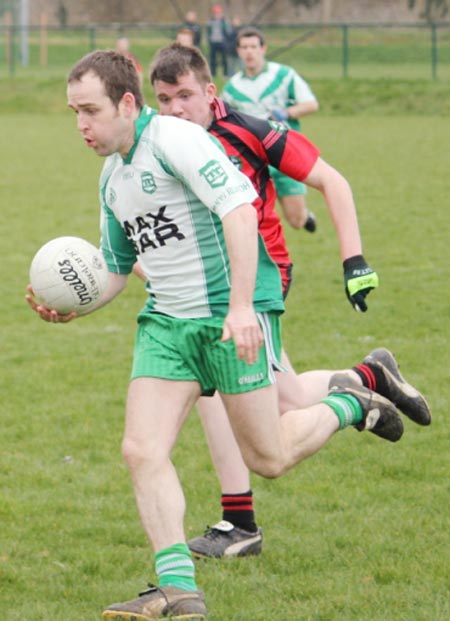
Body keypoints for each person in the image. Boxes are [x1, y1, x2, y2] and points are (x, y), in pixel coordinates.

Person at [26, 50, 431, 621]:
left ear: (124, 102)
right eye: (73, 113)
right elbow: (117, 266)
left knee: (269, 456)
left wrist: (242, 307)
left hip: (227, 315)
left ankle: (350, 402)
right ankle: (177, 589)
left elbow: (240, 211)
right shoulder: (112, 178)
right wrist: (79, 305)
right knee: (141, 450)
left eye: (89, 110)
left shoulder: (175, 141)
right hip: (167, 324)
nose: (81, 126)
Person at [148, 43, 432, 559]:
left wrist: (354, 262)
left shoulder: (251, 130)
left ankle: (240, 522)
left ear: (212, 93)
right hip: (205, 282)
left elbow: (332, 181)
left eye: (185, 95)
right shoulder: (161, 142)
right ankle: (370, 378)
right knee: (288, 401)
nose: (175, 109)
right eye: (164, 99)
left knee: (221, 395)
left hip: (258, 277)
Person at [222, 26, 319, 233]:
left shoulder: (284, 75)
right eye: (244, 47)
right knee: (253, 220)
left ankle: (305, 216)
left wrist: (287, 113)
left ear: (263, 49)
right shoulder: (232, 87)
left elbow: (311, 104)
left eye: (253, 47)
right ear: (238, 51)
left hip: (285, 151)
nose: (249, 52)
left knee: (296, 220)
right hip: (252, 158)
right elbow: (224, 121)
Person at [206, 4, 230, 77]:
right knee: (213, 59)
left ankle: (225, 73)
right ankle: (213, 73)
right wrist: (209, 40)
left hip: (222, 42)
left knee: (224, 59)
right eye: (216, 13)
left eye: (219, 13)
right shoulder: (210, 21)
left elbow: (228, 32)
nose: (217, 15)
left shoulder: (225, 21)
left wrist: (226, 40)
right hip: (213, 42)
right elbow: (208, 32)